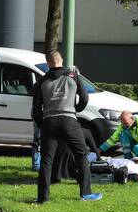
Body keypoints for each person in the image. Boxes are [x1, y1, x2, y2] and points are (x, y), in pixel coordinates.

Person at [31, 50, 101, 203]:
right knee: (81, 154)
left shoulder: (42, 81)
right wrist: (75, 109)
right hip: (69, 121)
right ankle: (86, 193)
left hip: (49, 122)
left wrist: (42, 123)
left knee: (46, 161)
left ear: (48, 63)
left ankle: (42, 198)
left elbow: (36, 109)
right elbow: (84, 97)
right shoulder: (73, 76)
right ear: (61, 60)